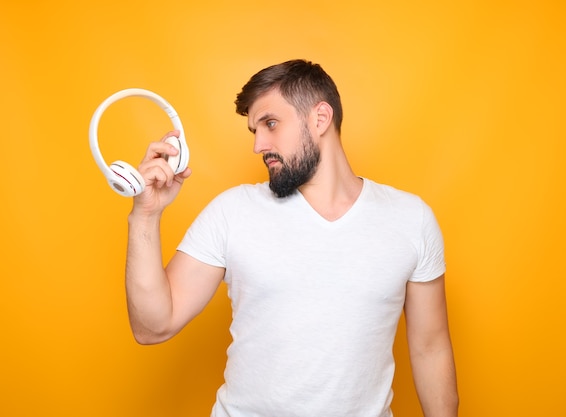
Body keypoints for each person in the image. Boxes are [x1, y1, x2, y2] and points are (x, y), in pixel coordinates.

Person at [125, 59, 459, 417]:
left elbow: (430, 348)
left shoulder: (411, 219)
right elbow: (152, 327)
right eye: (254, 130)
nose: (258, 145)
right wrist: (145, 215)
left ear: (320, 118)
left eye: (270, 124)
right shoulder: (233, 211)